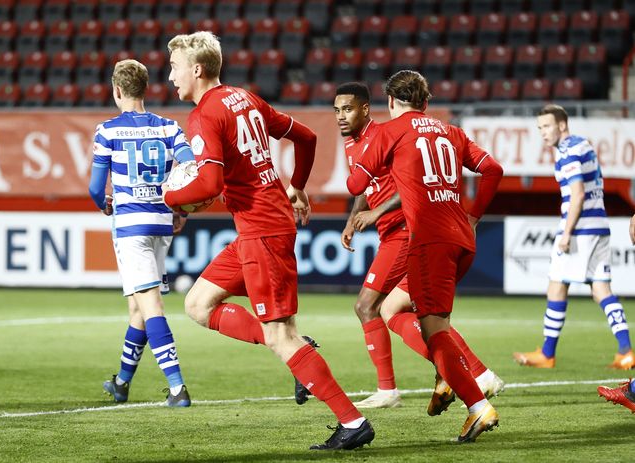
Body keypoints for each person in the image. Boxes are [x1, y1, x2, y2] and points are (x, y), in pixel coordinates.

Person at [162, 31, 374, 451]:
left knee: (281, 335)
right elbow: (307, 138)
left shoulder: (205, 115)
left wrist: (170, 198)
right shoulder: (245, 98)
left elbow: (209, 181)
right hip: (259, 228)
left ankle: (352, 422)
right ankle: (301, 350)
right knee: (198, 304)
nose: (171, 77)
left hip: (262, 231)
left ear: (197, 69)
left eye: (174, 68)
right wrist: (297, 186)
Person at [346, 70, 504, 442]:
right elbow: (492, 170)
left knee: (433, 332)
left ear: (389, 102)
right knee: (404, 312)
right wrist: (475, 214)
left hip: (429, 240)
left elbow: (356, 184)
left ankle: (478, 404)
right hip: (462, 239)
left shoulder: (389, 131)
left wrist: (369, 159)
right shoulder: (451, 131)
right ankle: (456, 380)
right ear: (426, 102)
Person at [88, 59, 193, 407]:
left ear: (117, 91)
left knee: (150, 305)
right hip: (162, 223)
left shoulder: (108, 131)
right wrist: (180, 208)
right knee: (138, 307)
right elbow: (190, 167)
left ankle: (177, 388)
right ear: (146, 90)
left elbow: (94, 188)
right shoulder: (169, 128)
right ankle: (121, 383)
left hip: (130, 227)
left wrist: (104, 203)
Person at [513, 104, 633, 370]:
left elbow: (577, 193)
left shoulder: (567, 152)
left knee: (556, 285)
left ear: (562, 125)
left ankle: (547, 353)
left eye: (546, 126)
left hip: (581, 229)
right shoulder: (583, 144)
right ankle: (625, 351)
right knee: (601, 290)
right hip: (599, 224)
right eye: (539, 128)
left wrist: (567, 232)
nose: (543, 133)